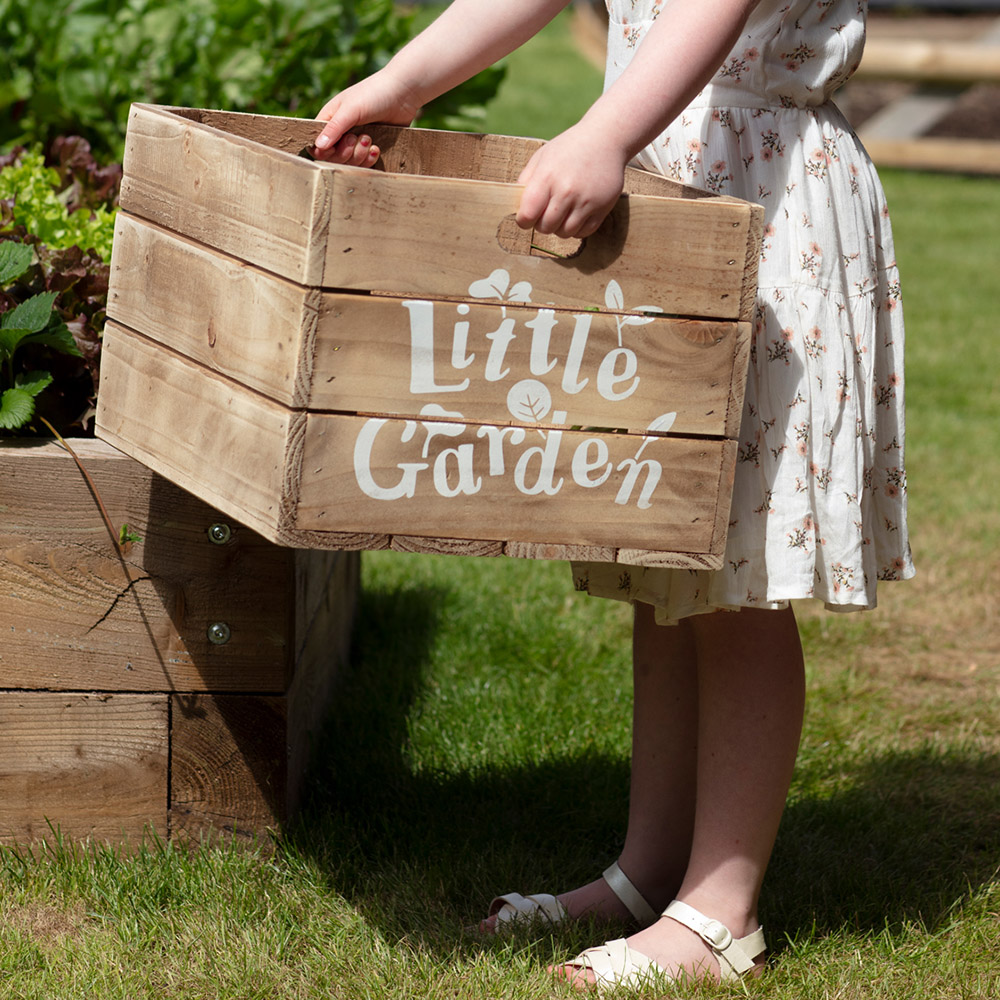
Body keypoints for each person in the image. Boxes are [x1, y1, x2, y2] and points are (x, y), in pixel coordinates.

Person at [312, 0, 915, 991]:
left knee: (737, 581)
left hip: (758, 192)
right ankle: (650, 870)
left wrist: (605, 133)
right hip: (669, 180)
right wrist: (407, 82)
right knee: (668, 556)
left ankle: (720, 914)